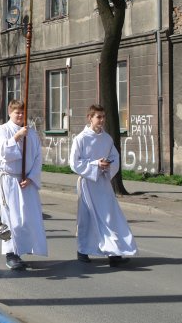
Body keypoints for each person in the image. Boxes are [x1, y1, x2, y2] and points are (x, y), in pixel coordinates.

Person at [70, 104, 138, 267]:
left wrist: (107, 165)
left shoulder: (107, 138)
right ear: (90, 118)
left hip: (102, 182)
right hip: (88, 182)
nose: (101, 120)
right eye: (98, 117)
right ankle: (83, 250)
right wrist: (95, 164)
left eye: (103, 117)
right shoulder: (81, 138)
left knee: (109, 217)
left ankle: (113, 252)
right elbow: (74, 163)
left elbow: (114, 157)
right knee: (87, 218)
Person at [0, 99, 48, 271]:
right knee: (11, 218)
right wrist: (16, 137)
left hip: (27, 181)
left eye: (23, 113)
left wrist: (31, 177)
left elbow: (38, 157)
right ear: (10, 113)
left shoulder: (31, 133)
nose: (21, 115)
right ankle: (11, 254)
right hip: (9, 179)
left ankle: (21, 251)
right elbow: (3, 153)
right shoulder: (2, 130)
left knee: (27, 218)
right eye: (17, 112)